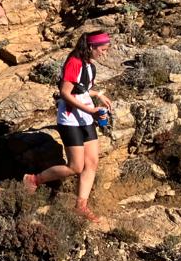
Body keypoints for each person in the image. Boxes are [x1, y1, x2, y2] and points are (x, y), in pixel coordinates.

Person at [23, 31, 114, 222]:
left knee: (92, 162)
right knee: (76, 167)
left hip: (85, 117)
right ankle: (34, 179)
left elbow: (82, 89)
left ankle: (81, 206)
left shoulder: (89, 64)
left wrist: (98, 95)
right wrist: (91, 111)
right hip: (70, 119)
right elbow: (65, 93)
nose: (104, 53)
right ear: (91, 47)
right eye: (103, 49)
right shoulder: (74, 62)